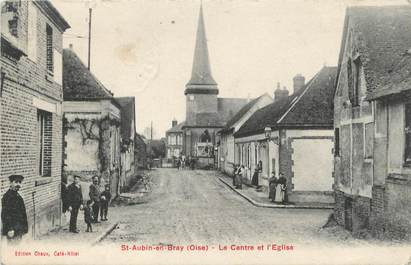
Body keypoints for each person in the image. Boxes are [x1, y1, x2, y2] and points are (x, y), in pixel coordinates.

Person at [1, 175, 28, 243]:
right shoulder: (7, 196)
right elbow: (5, 214)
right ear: (10, 183)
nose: (18, 184)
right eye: (16, 182)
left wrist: (24, 228)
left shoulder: (17, 195)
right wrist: (10, 229)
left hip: (19, 228)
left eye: (20, 182)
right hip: (13, 230)